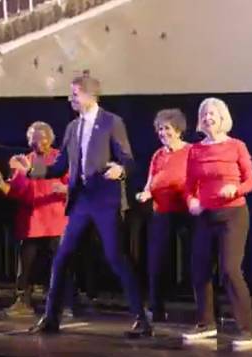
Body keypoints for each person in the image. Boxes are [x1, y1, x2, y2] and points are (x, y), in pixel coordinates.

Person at [12, 75, 152, 338]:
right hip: (81, 201)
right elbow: (59, 166)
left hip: (105, 200)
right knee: (62, 256)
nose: (70, 99)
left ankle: (141, 319)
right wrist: (31, 169)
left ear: (90, 95)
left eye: (74, 94)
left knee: (115, 257)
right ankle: (51, 318)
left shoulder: (111, 122)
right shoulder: (72, 128)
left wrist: (120, 170)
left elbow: (129, 161)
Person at [183, 98, 252, 349]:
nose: (208, 117)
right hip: (206, 216)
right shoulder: (195, 150)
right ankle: (206, 324)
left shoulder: (236, 145)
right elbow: (189, 186)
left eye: (213, 113)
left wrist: (234, 189)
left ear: (223, 117)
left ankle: (248, 330)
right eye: (204, 113)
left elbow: (250, 182)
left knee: (229, 270)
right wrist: (192, 200)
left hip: (233, 215)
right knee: (200, 269)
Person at [0, 121, 68, 316]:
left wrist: (65, 189)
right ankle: (23, 302)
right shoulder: (25, 161)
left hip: (55, 222)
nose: (37, 143)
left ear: (50, 139)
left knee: (58, 266)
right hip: (31, 223)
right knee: (25, 267)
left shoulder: (60, 159)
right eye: (33, 139)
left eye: (42, 139)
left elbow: (73, 184)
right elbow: (16, 192)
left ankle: (60, 303)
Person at [134, 109, 191, 322]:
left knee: (196, 260)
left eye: (166, 128)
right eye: (159, 129)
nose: (162, 132)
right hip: (162, 211)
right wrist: (146, 193)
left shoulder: (191, 151)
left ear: (178, 130)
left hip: (187, 211)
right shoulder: (158, 155)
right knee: (156, 260)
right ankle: (156, 307)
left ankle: (208, 310)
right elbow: (151, 181)